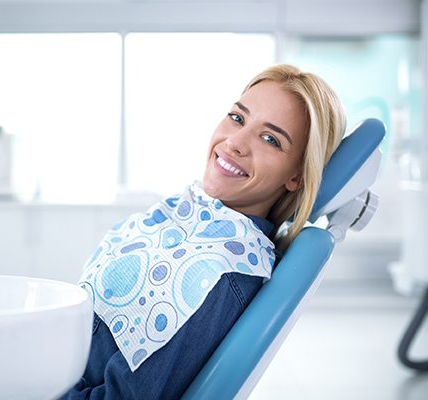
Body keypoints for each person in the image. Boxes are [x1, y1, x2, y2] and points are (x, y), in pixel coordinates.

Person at [62, 64, 346, 399]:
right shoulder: (188, 214)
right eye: (238, 118)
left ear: (296, 176)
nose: (234, 143)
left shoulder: (219, 272)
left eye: (270, 139)